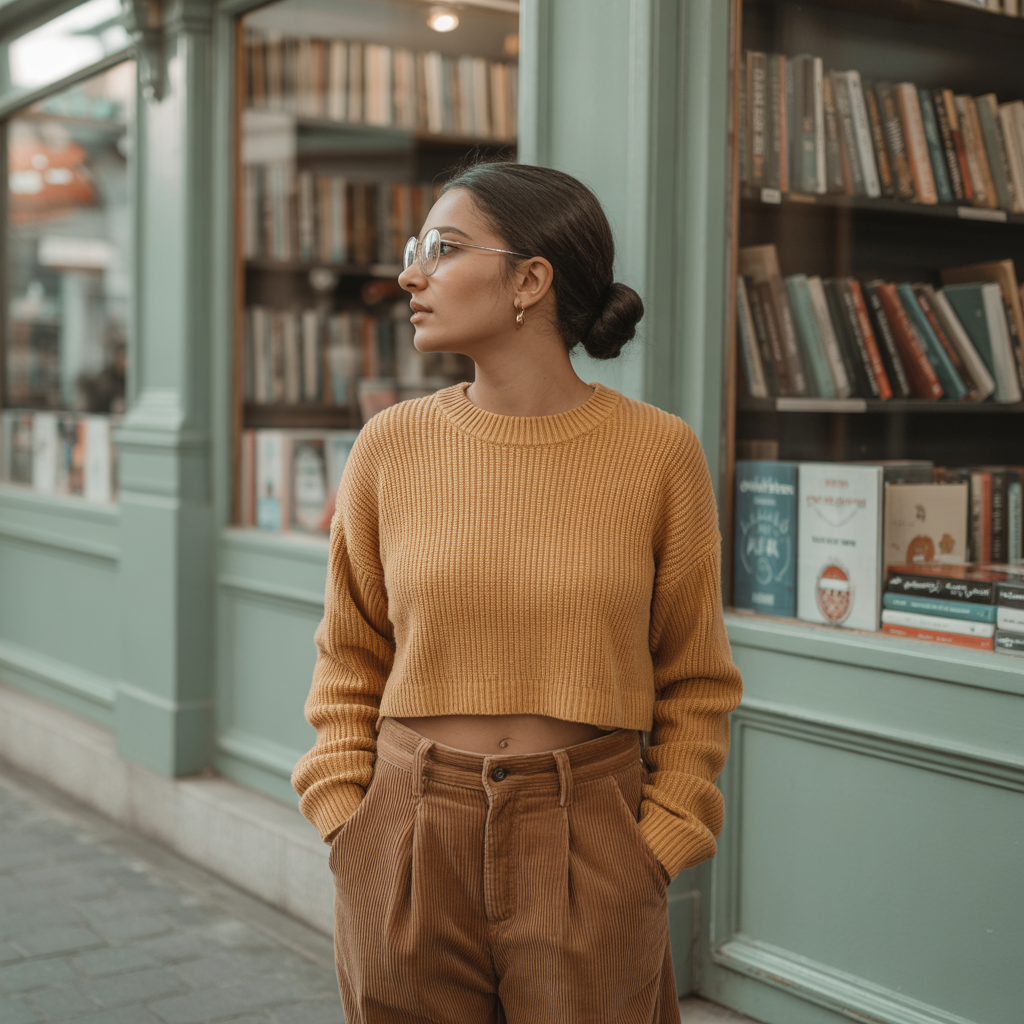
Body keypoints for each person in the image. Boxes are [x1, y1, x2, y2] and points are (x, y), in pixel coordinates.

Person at [292, 161, 743, 1024]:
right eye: (415, 249)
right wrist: (350, 818)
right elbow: (349, 653)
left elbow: (696, 676)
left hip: (593, 840)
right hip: (408, 832)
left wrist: (657, 841)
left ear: (531, 279)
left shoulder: (657, 453)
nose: (410, 274)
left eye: (444, 247)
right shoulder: (391, 445)